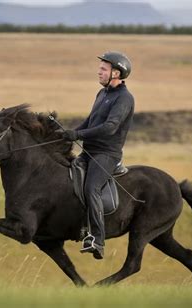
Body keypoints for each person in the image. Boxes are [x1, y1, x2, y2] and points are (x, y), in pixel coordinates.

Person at [62, 51, 134, 260]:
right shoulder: (101, 94)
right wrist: (69, 134)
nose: (99, 72)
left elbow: (110, 128)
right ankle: (79, 226)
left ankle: (97, 240)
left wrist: (78, 134)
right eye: (100, 68)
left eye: (103, 69)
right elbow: (91, 121)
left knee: (92, 187)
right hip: (89, 151)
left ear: (116, 73)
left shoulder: (124, 98)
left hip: (106, 154)